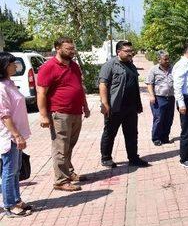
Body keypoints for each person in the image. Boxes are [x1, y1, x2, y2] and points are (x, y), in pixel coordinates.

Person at [36, 37, 90, 192]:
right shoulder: (48, 67)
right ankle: (60, 181)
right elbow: (41, 93)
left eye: (73, 49)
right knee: (60, 147)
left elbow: (79, 87)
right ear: (57, 48)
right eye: (68, 49)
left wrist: (85, 106)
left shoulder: (74, 66)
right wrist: (44, 115)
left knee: (69, 146)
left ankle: (69, 172)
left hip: (75, 112)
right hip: (59, 113)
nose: (72, 52)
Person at [98, 40, 149, 168]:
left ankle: (133, 158)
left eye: (131, 51)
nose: (130, 53)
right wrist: (105, 103)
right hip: (115, 106)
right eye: (127, 51)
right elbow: (102, 84)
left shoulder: (131, 65)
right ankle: (106, 158)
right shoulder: (110, 65)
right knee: (110, 132)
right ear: (118, 52)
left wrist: (138, 104)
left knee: (132, 133)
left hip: (131, 107)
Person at [0, 52, 32, 217]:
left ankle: (16, 199)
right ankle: (10, 205)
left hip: (17, 133)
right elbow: (4, 115)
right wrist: (16, 135)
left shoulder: (9, 83)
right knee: (9, 171)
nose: (16, 66)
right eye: (13, 63)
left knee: (15, 169)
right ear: (4, 66)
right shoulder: (1, 88)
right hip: (9, 135)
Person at [146, 50, 174, 146]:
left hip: (170, 98)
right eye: (165, 59)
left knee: (169, 118)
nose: (167, 61)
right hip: (158, 98)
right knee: (159, 118)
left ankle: (165, 137)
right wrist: (151, 95)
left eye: (168, 59)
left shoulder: (172, 69)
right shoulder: (153, 70)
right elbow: (149, 83)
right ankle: (156, 138)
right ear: (159, 59)